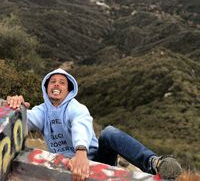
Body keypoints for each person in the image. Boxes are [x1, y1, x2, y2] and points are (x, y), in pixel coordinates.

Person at [6, 68, 182, 181]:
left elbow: (80, 124)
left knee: (109, 133)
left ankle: (155, 163)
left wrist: (81, 152)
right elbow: (25, 121)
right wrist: (15, 108)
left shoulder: (76, 108)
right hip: (64, 167)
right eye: (53, 82)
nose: (57, 84)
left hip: (94, 159)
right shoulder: (42, 110)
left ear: (69, 90)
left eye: (62, 82)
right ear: (46, 88)